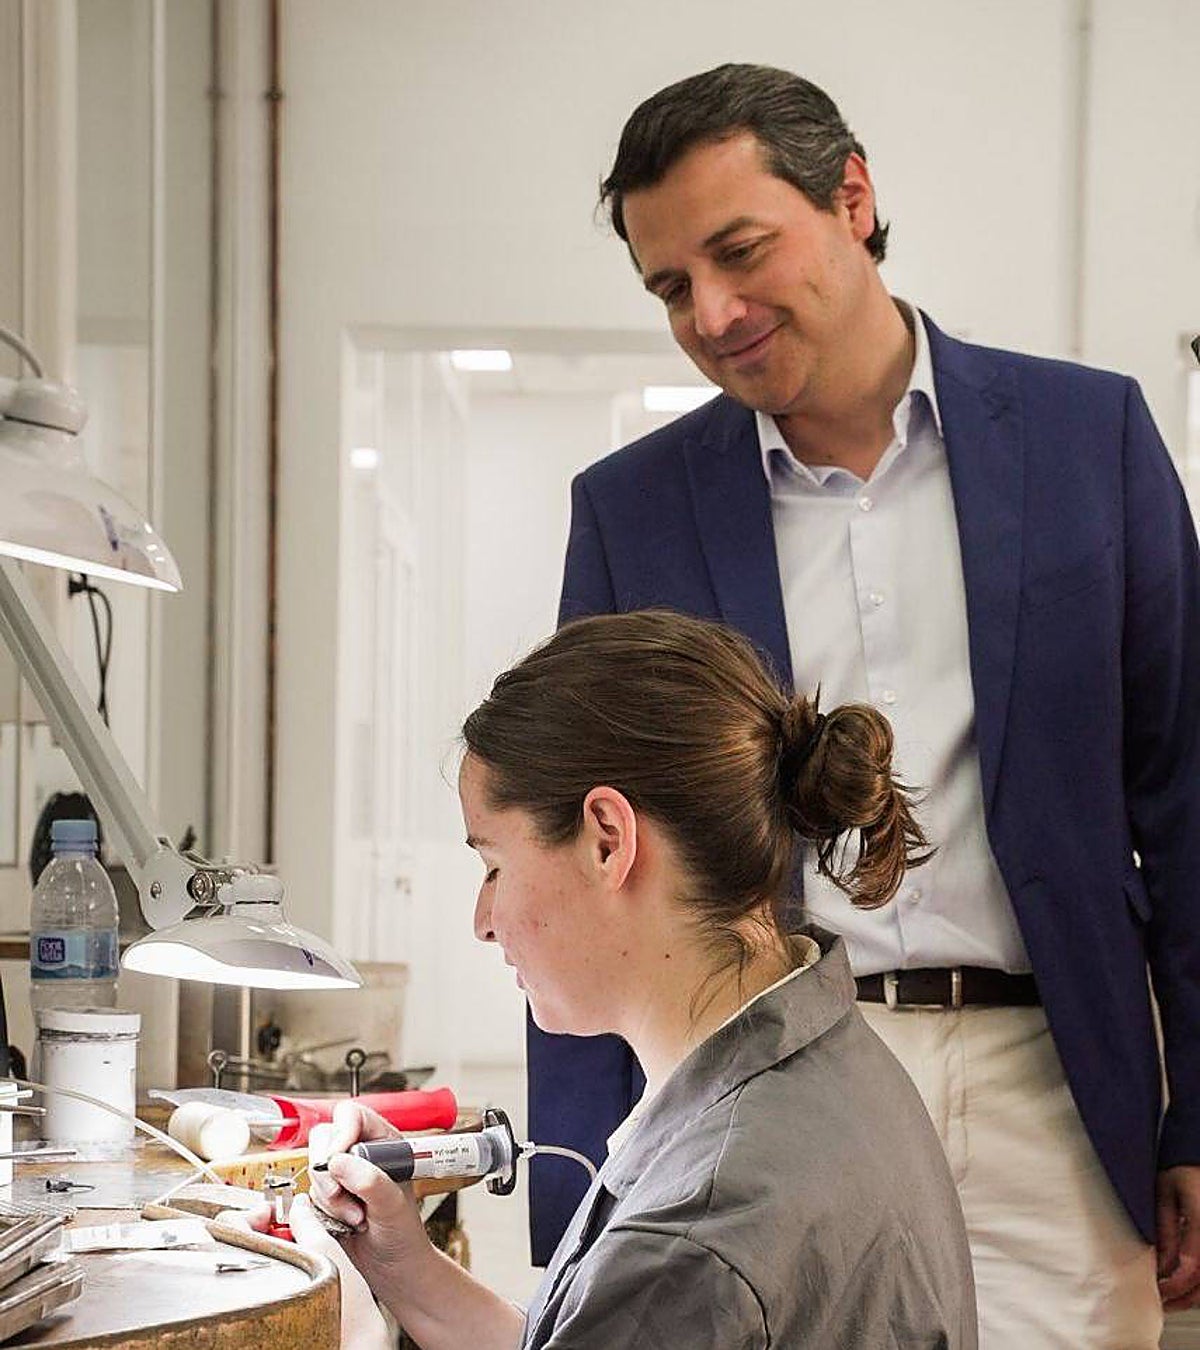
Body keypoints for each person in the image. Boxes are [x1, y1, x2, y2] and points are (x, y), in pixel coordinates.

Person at [524, 62, 1200, 1348]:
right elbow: (581, 854)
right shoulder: (634, 510)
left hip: (1051, 1086)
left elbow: (1188, 796)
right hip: (761, 1089)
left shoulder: (1089, 439)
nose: (712, 312)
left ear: (851, 197)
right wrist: (573, 1192)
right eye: (671, 287)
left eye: (739, 252)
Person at [281, 610, 977, 1349]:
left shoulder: (697, 1233)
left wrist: (349, 1328)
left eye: (494, 867)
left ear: (607, 841)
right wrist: (402, 1269)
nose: (483, 920)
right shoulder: (823, 1066)